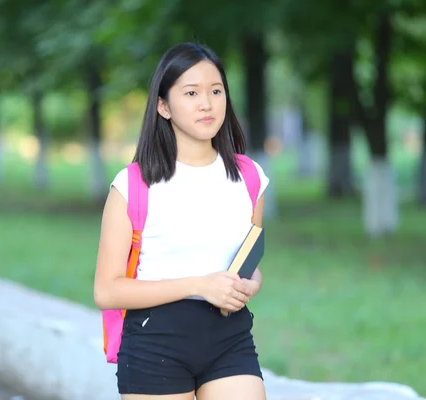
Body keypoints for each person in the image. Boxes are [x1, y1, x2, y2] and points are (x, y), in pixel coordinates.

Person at [94, 42, 270, 400]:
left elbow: (246, 263)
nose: (206, 103)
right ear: (163, 106)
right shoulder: (133, 184)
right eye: (191, 93)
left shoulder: (250, 177)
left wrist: (249, 283)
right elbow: (107, 290)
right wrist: (199, 285)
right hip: (154, 343)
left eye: (215, 91)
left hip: (229, 339)